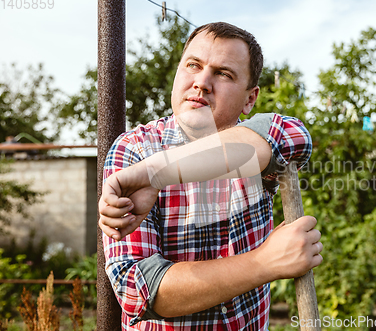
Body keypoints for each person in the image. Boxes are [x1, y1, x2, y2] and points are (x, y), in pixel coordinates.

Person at [99, 22, 323, 330]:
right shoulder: (135, 149)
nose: (202, 82)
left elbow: (296, 137)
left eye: (223, 73)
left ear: (249, 99)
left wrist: (156, 174)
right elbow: (139, 291)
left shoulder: (259, 147)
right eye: (193, 65)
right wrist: (264, 263)